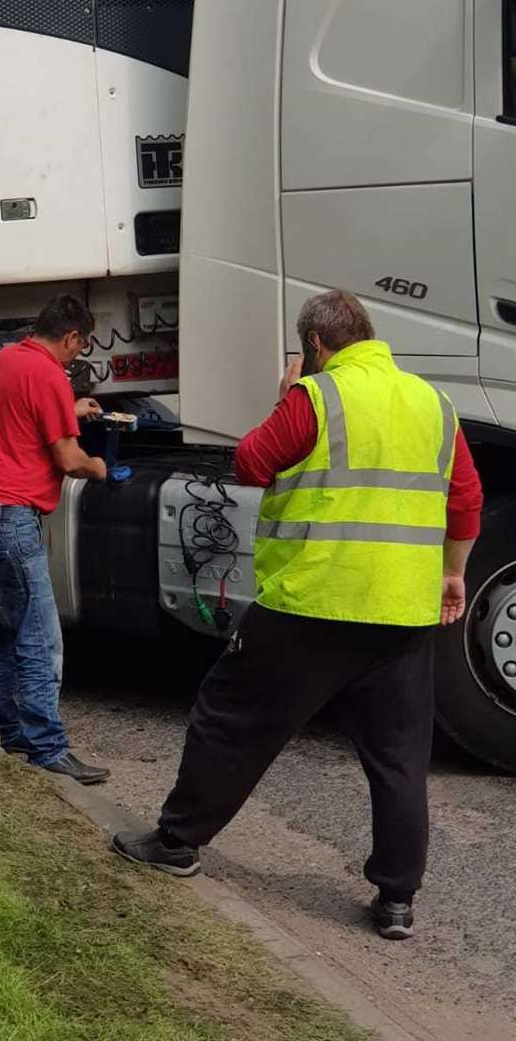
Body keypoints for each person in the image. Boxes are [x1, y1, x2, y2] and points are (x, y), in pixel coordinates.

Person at [112, 289, 482, 940]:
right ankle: (396, 900)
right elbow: (467, 498)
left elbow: (252, 464)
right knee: (399, 760)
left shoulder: (316, 398)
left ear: (315, 346)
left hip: (313, 606)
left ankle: (177, 842)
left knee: (229, 722)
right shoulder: (435, 403)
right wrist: (453, 573)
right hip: (403, 616)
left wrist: (288, 393)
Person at [0, 294, 110, 785]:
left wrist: (70, 407)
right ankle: (49, 748)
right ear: (71, 337)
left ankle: (11, 734)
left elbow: (24, 410)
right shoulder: (50, 374)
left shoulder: (7, 360)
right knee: (40, 640)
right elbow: (68, 460)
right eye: (78, 347)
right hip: (11, 520)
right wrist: (98, 467)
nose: (75, 356)